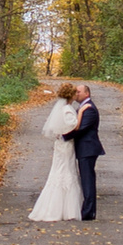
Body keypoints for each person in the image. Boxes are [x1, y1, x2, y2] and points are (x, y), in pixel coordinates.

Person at [28, 79, 82, 222]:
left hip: (60, 144)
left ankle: (59, 208)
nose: (76, 95)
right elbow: (73, 125)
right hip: (66, 145)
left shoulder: (61, 109)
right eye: (74, 93)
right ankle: (65, 210)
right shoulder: (67, 110)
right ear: (70, 95)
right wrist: (81, 114)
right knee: (66, 171)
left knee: (60, 170)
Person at [71, 82, 103, 222]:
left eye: (78, 92)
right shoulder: (83, 107)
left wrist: (64, 136)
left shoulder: (89, 109)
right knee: (85, 179)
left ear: (87, 93)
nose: (76, 94)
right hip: (84, 149)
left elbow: (81, 129)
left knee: (87, 180)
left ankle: (89, 212)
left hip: (88, 149)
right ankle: (87, 210)